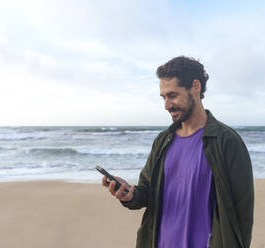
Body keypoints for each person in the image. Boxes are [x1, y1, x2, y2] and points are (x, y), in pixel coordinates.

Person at [102, 56, 254, 248]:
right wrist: (129, 195)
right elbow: (147, 192)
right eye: (164, 97)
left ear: (195, 87)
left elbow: (242, 215)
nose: (167, 105)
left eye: (173, 95)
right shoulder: (163, 141)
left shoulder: (227, 142)